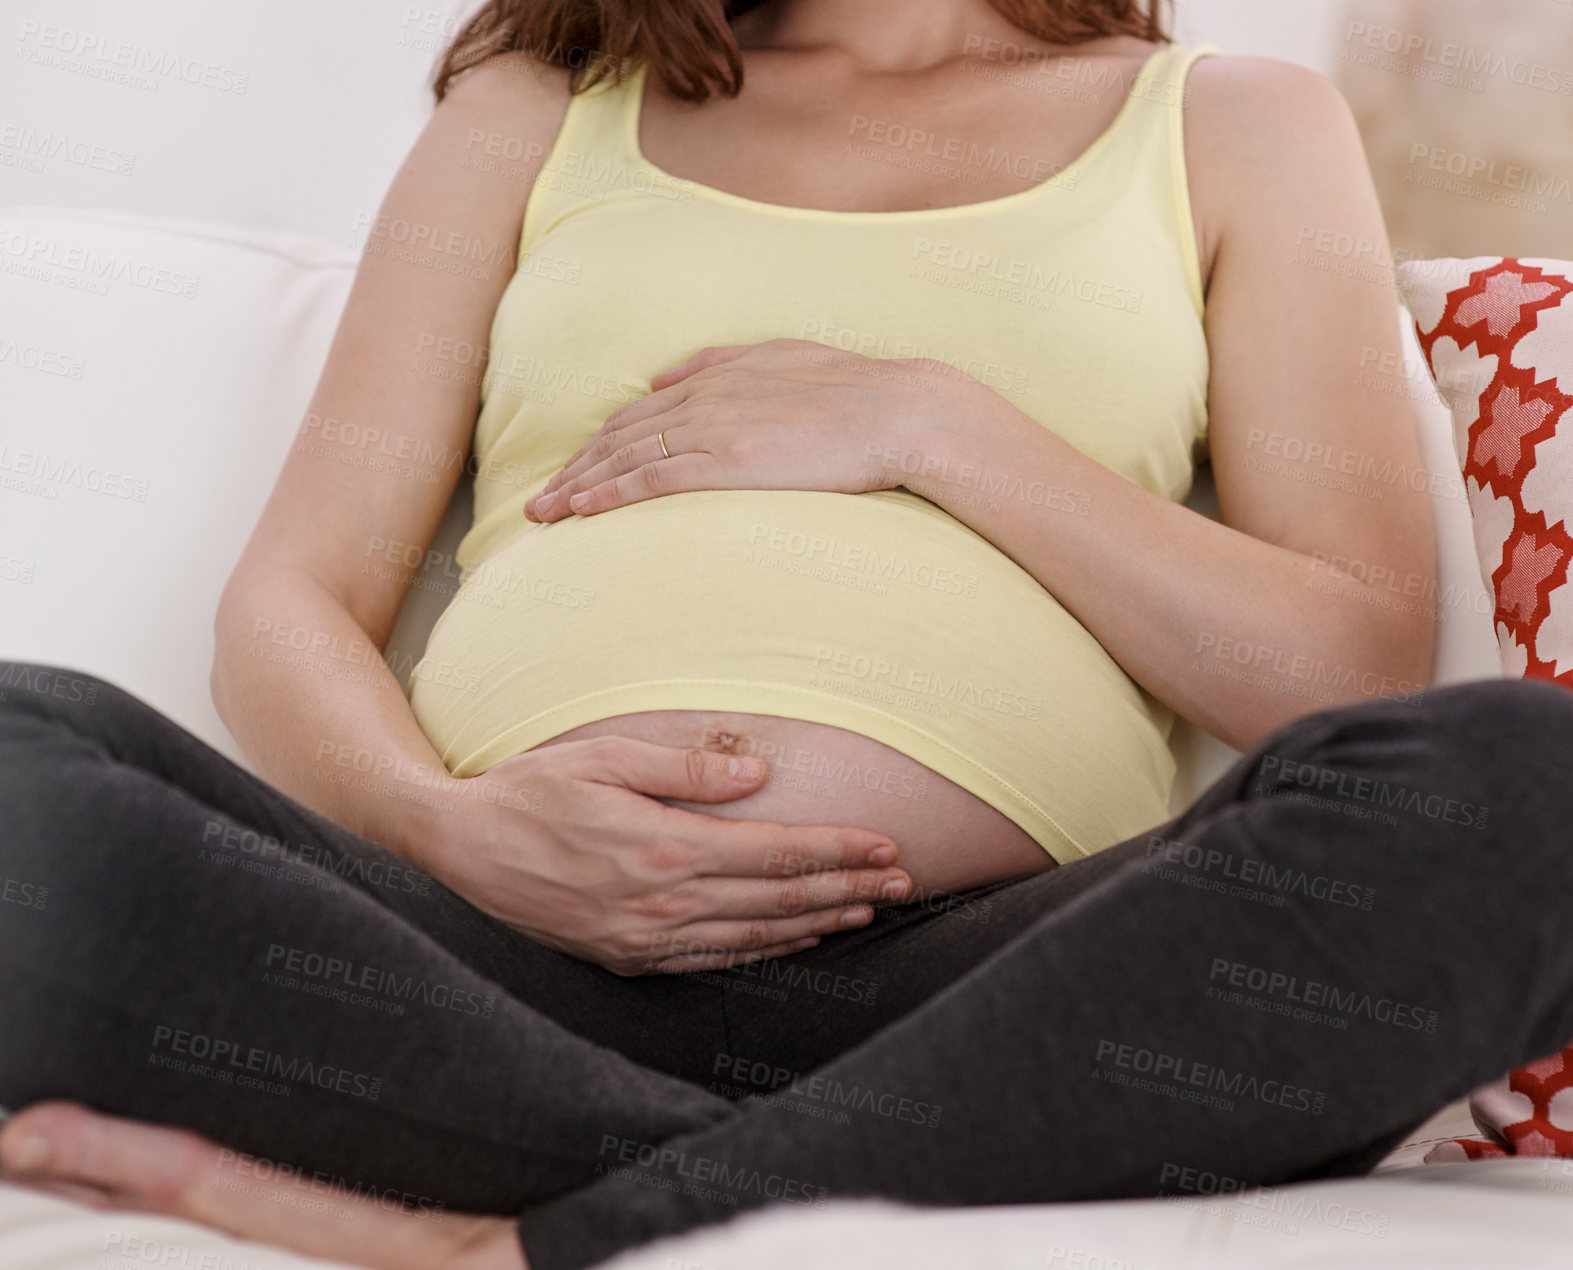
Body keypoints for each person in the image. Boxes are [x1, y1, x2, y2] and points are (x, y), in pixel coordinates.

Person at [7, 3, 1573, 1269]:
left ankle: (557, 1229)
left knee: (1534, 785)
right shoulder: (537, 103)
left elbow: (1343, 664)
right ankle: (828, 1177)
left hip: (1003, 989)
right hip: (482, 962)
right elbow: (289, 602)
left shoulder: (1235, 124)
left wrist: (931, 423)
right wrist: (451, 828)